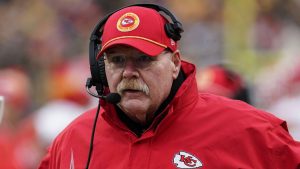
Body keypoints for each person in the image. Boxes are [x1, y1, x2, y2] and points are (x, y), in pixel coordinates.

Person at [38, 4, 300, 169]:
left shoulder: (250, 131)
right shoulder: (74, 139)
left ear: (175, 63)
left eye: (144, 59)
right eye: (117, 60)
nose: (129, 72)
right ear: (100, 69)